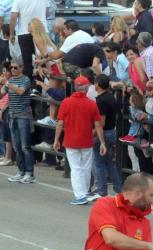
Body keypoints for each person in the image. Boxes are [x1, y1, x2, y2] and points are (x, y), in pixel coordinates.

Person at [54, 75, 107, 205]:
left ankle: (80, 195)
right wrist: (102, 142)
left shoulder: (66, 102)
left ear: (75, 87)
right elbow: (98, 125)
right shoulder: (92, 104)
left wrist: (56, 139)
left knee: (76, 168)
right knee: (86, 168)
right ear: (87, 88)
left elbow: (60, 123)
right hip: (86, 140)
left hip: (71, 141)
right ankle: (84, 192)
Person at [1, 59, 35, 184]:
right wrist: (1, 84)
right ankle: (21, 171)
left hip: (23, 115)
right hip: (12, 115)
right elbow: (2, 92)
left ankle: (29, 173)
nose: (13, 70)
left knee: (25, 146)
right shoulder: (10, 80)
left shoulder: (25, 80)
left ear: (21, 68)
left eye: (15, 67)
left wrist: (7, 83)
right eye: (11, 67)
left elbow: (21, 91)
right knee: (16, 146)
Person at [93, 74, 123, 196]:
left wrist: (95, 134)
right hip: (111, 132)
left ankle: (102, 190)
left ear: (98, 85)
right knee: (109, 163)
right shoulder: (110, 97)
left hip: (103, 133)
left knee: (99, 163)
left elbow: (101, 123)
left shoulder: (101, 101)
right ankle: (119, 188)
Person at [8, 0, 47, 78]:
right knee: (44, 58)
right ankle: (43, 82)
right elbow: (48, 13)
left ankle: (29, 82)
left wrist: (11, 33)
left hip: (24, 32)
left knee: (27, 61)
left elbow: (13, 17)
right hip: (42, 30)